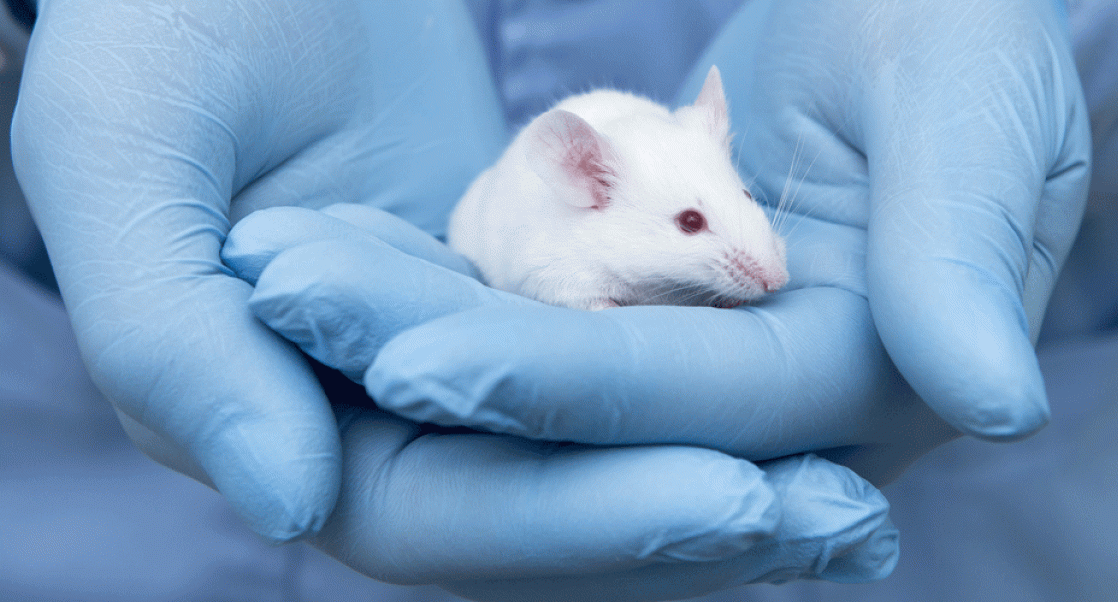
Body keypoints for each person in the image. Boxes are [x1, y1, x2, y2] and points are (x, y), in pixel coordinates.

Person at [2, 1, 1113, 601]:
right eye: (688, 224)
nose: (756, 265)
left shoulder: (684, 171)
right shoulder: (567, 199)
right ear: (586, 185)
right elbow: (544, 279)